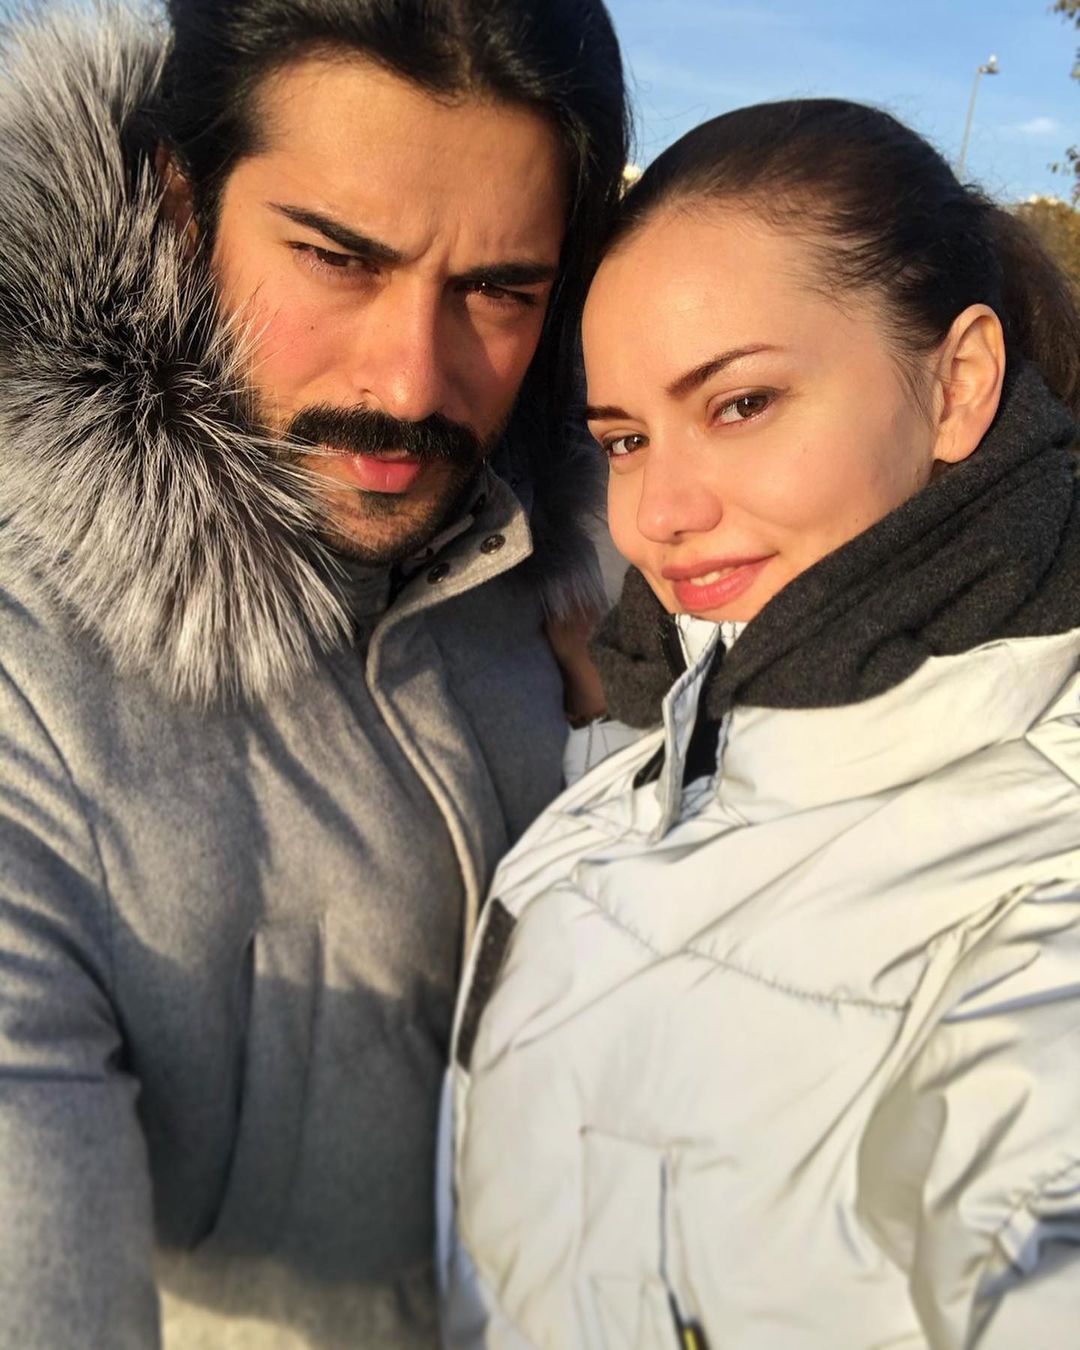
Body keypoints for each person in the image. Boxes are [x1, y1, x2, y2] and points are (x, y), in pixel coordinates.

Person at [0, 0, 627, 1344]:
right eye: (340, 258)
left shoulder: (597, 542)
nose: (411, 382)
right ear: (179, 207)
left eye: (499, 290)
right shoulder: (27, 678)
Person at [444, 100, 1080, 1348]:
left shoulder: (1041, 874)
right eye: (626, 439)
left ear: (957, 384)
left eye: (739, 404)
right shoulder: (656, 741)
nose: (657, 515)